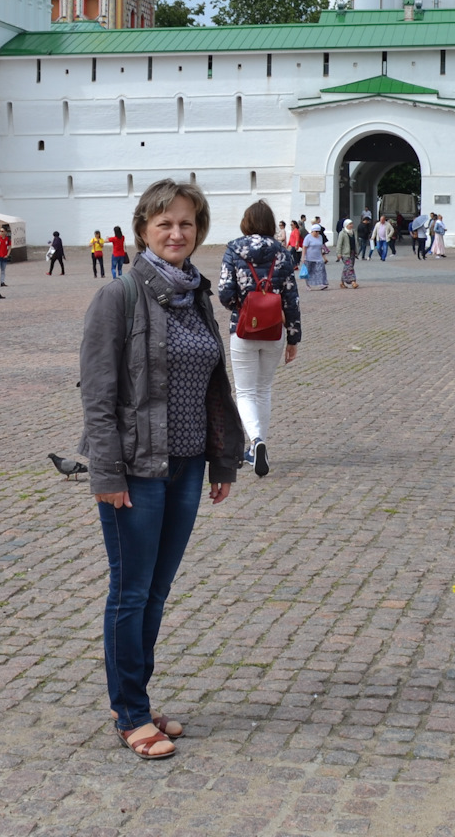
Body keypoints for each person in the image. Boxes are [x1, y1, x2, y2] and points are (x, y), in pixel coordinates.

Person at [81, 179, 241, 761]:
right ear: (143, 229)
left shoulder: (196, 294)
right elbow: (98, 396)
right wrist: (107, 474)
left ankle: (139, 701)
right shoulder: (119, 296)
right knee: (130, 591)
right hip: (136, 468)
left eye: (187, 224)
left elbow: (211, 388)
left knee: (156, 591)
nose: (177, 233)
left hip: (189, 466)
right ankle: (129, 714)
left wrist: (222, 457)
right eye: (165, 223)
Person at [217, 200, 301, 478]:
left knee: (244, 391)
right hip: (275, 329)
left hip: (243, 329)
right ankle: (256, 447)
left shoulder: (234, 250)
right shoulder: (282, 253)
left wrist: (243, 307)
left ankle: (255, 441)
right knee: (263, 390)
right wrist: (294, 338)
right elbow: (291, 297)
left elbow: (224, 292)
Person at [337, 218, 359, 288]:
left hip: (352, 253)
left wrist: (357, 251)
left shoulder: (353, 232)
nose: (351, 225)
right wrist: (338, 253)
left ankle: (342, 282)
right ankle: (353, 282)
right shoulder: (342, 233)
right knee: (350, 267)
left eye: (352, 224)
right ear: (346, 225)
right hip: (345, 253)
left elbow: (356, 242)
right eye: (350, 224)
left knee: (347, 268)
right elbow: (339, 244)